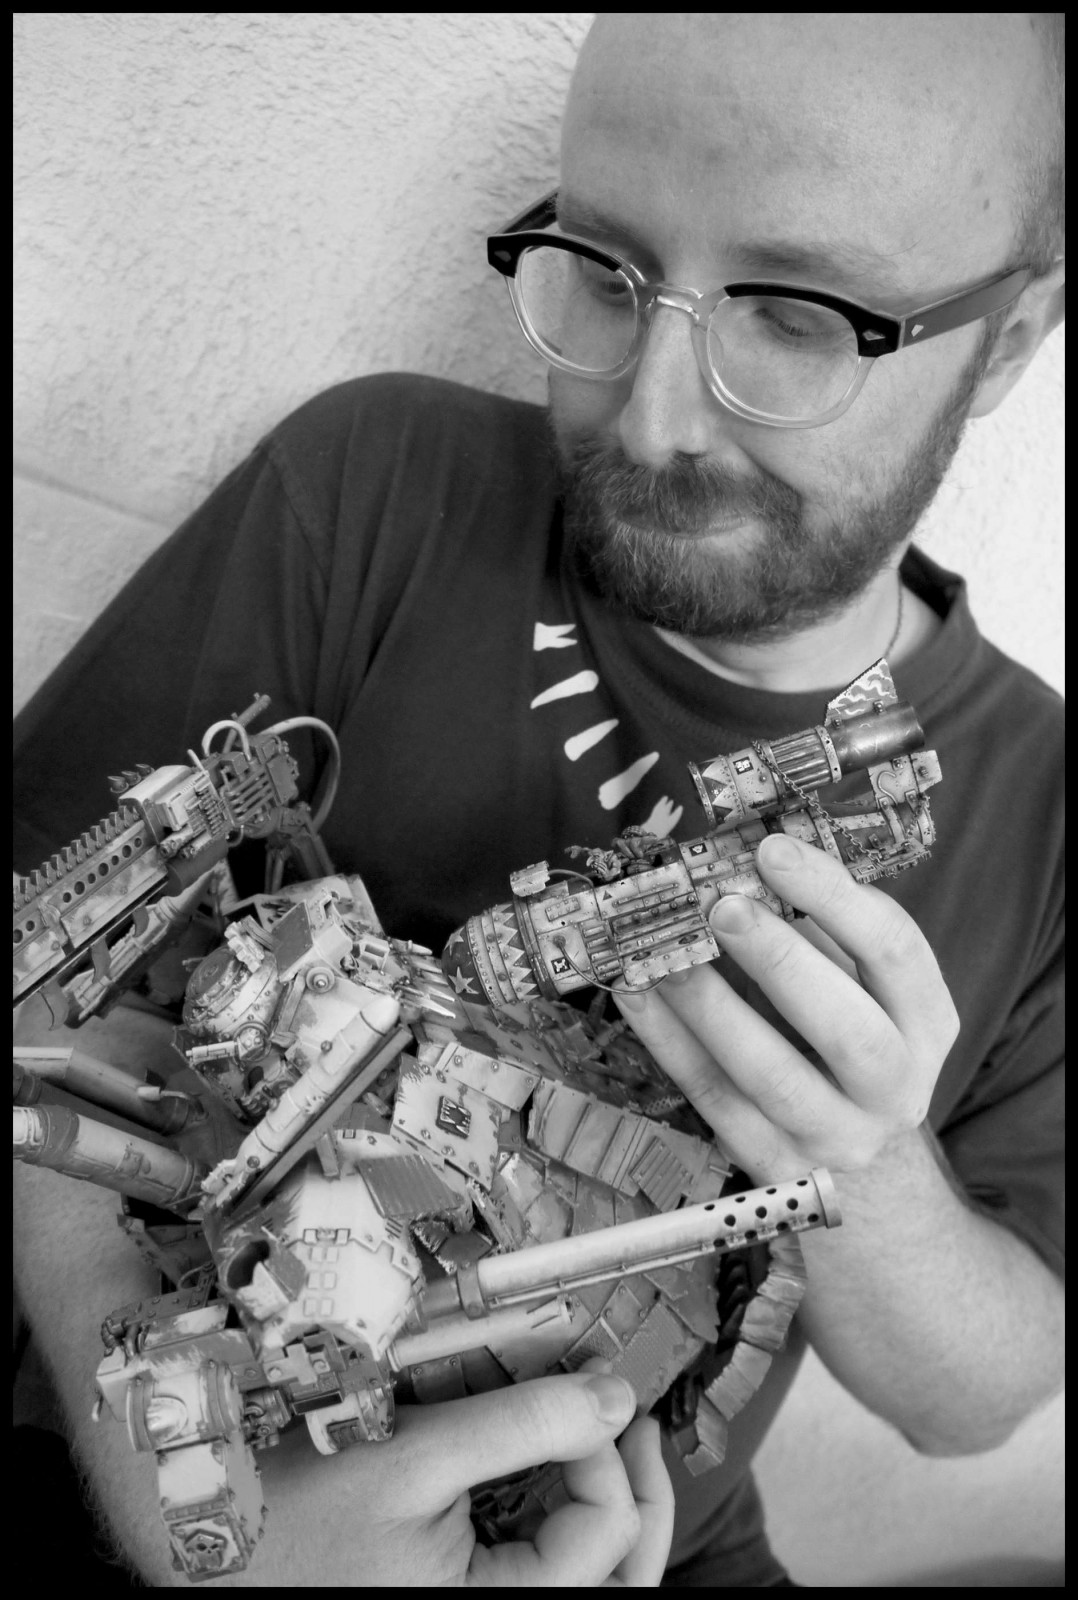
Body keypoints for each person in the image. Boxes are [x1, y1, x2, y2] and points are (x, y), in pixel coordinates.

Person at [13, 13, 1064, 1588]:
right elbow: (37, 1002)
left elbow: (970, 1401)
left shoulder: (1043, 813)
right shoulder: (373, 488)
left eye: (797, 314)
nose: (650, 418)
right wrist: (204, 1518)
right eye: (607, 271)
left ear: (1009, 338)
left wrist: (859, 1159)